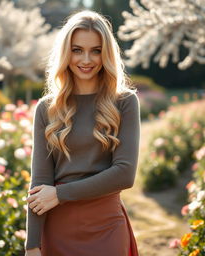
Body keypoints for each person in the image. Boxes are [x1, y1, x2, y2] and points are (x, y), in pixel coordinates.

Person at [25, 10, 140, 256]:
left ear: (106, 53)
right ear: (66, 53)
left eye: (96, 50)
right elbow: (40, 184)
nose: (86, 59)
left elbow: (125, 174)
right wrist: (32, 245)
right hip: (57, 230)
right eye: (77, 50)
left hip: (107, 226)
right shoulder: (47, 108)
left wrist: (60, 194)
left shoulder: (125, 102)